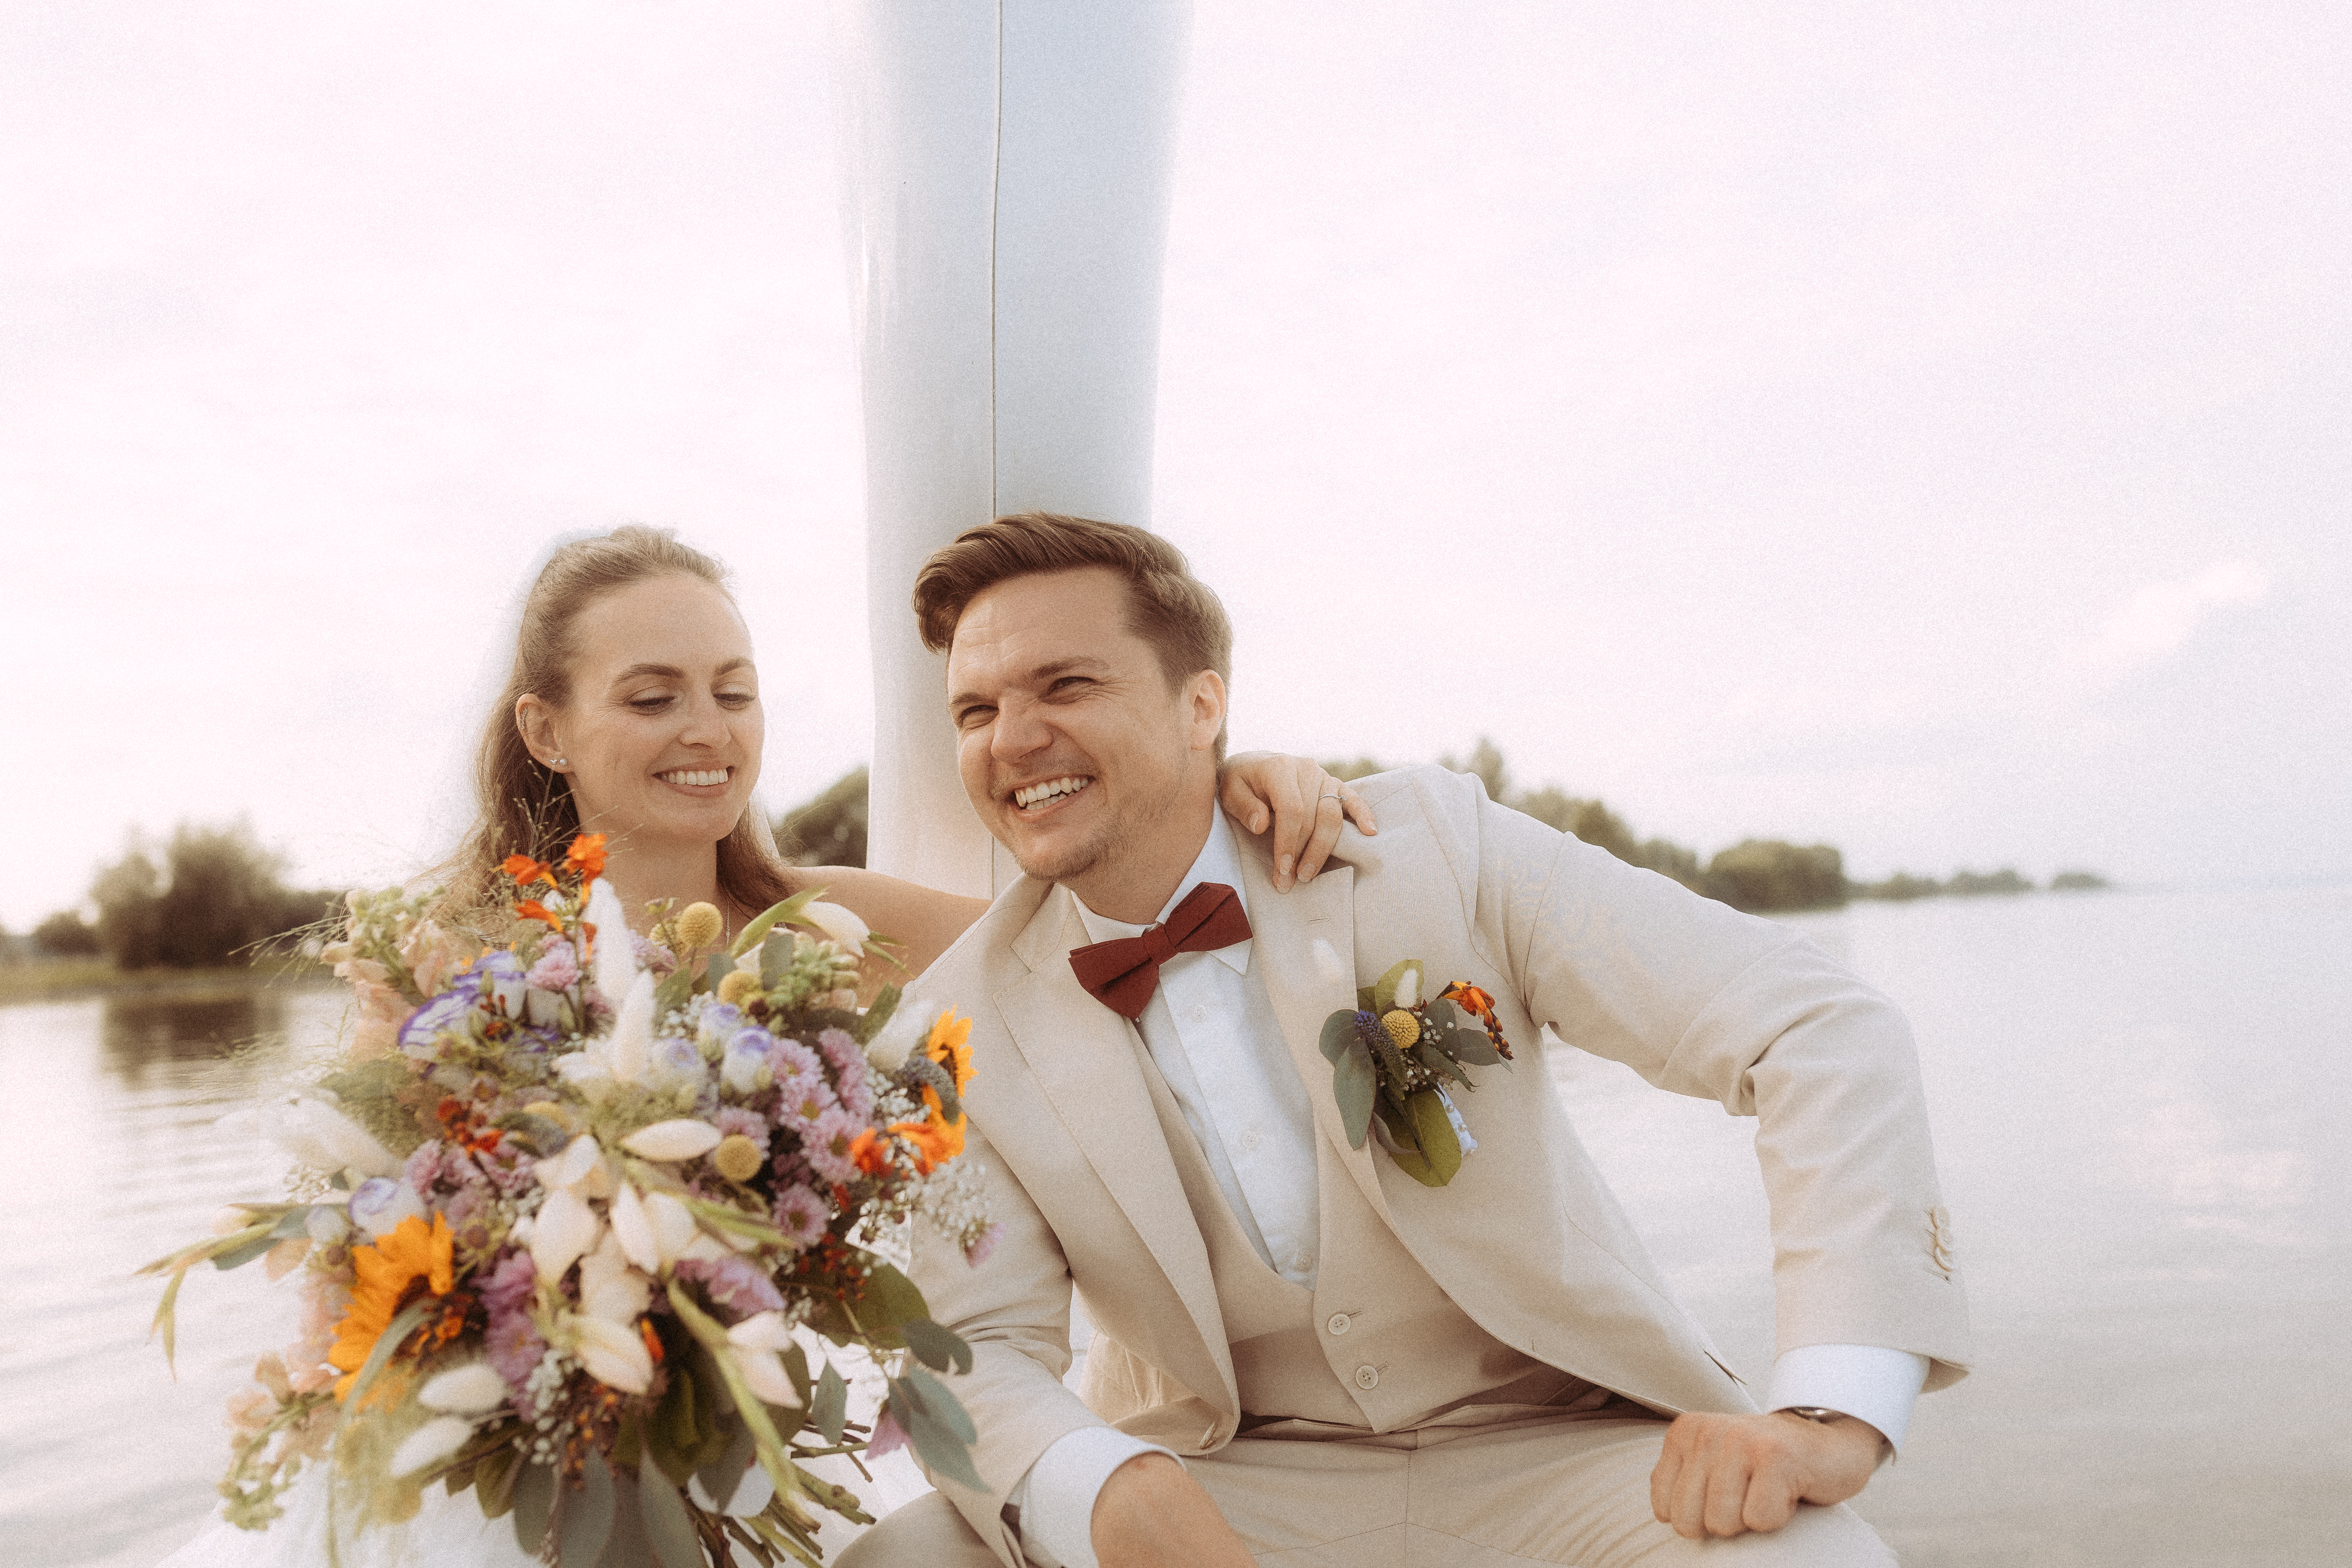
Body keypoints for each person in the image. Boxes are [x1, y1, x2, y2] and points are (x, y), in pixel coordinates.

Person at [155, 524, 1374, 1568]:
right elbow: (353, 1275)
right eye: (653, 697)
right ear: (546, 727)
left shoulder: (840, 925)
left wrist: (1232, 776)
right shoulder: (446, 962)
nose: (708, 730)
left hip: (756, 1450)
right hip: (489, 1458)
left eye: (733, 692)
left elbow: (1116, 917)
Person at [841, 514, 1972, 1568]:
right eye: (976, 711)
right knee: (901, 1560)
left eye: (1066, 684)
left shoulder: (1431, 847)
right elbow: (974, 1340)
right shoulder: (947, 1031)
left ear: (1203, 707)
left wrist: (1829, 1410)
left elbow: (1815, 1027)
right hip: (1223, 1476)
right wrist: (1109, 1486)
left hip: (1572, 1453)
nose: (1016, 739)